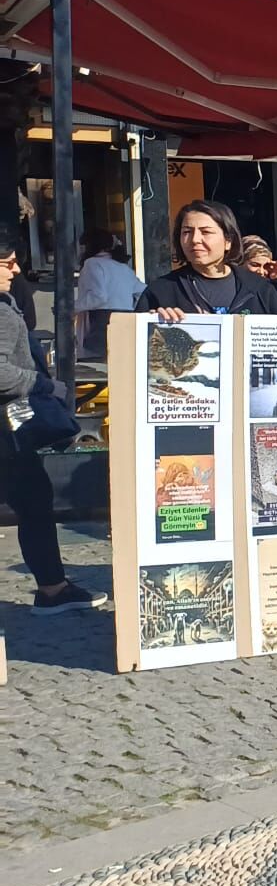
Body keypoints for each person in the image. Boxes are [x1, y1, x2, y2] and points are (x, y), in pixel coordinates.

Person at [0, 231, 103, 615]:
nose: (15, 270)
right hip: (10, 427)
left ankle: (53, 587)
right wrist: (45, 385)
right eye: (6, 263)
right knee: (34, 502)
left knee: (33, 500)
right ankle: (52, 589)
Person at [143, 201, 277, 320]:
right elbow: (135, 348)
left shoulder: (259, 288)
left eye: (206, 232)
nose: (194, 240)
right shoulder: (161, 290)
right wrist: (151, 324)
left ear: (228, 240)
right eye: (187, 232)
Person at [75, 229, 144, 359]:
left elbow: (98, 297)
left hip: (101, 321)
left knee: (95, 365)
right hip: (125, 322)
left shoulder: (92, 263)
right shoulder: (123, 267)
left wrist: (70, 307)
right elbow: (142, 292)